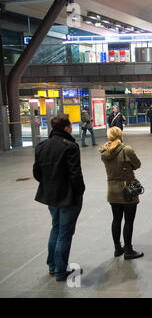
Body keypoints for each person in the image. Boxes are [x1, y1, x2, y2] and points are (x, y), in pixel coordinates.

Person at [33, 113, 85, 281]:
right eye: (70, 125)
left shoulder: (41, 146)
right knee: (65, 233)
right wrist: (80, 191)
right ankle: (61, 271)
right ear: (65, 127)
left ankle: (53, 265)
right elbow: (75, 174)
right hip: (68, 196)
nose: (71, 128)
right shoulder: (69, 146)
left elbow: (37, 172)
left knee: (55, 228)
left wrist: (49, 184)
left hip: (51, 196)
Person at [99, 127, 144, 260]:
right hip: (128, 189)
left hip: (112, 189)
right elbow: (137, 165)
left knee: (116, 219)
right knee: (128, 221)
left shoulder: (104, 151)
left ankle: (117, 248)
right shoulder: (127, 150)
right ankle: (129, 250)